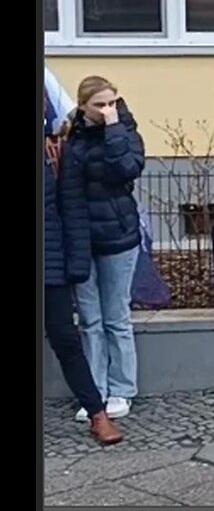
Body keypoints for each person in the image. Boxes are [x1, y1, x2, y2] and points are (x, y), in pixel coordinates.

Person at [61, 76, 147, 422]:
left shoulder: (124, 131)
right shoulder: (71, 135)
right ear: (83, 106)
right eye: (99, 104)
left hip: (117, 236)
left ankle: (122, 389)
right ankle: (93, 392)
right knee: (90, 320)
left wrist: (113, 129)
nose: (106, 109)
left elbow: (126, 168)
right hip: (81, 237)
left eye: (111, 102)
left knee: (116, 317)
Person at [44, 89, 123, 445]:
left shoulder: (55, 154)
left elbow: (72, 210)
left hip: (49, 260)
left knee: (66, 339)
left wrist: (74, 264)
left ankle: (97, 413)